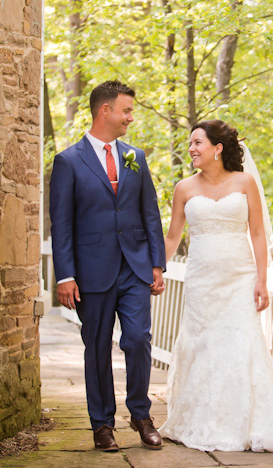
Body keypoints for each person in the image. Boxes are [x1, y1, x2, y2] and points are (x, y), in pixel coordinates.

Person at [159, 120, 273, 452]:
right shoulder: (184, 188)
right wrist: (155, 269)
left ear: (217, 148)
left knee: (240, 343)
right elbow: (173, 237)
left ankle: (244, 424)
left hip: (239, 277)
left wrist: (263, 279)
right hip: (201, 279)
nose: (191, 149)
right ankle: (197, 420)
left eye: (197, 143)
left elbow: (259, 234)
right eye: (190, 143)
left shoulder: (245, 182)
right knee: (200, 345)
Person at [50, 80, 166, 452]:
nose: (130, 117)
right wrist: (65, 275)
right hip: (90, 272)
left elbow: (150, 213)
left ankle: (141, 414)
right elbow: (62, 223)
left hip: (133, 268)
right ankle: (102, 424)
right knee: (96, 346)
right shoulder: (68, 161)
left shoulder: (136, 157)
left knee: (137, 339)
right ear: (106, 111)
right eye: (127, 110)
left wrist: (157, 264)